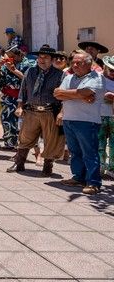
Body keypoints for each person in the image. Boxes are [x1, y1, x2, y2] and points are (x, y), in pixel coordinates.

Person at [7, 45, 65, 176]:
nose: (42, 60)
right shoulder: (30, 71)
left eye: (46, 57)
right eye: (40, 57)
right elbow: (23, 90)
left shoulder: (59, 75)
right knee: (25, 137)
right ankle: (19, 162)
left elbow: (63, 96)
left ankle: (47, 166)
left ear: (52, 59)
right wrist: (20, 106)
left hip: (50, 111)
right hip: (31, 110)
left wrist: (61, 112)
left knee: (51, 140)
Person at [56, 51, 105, 195]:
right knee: (75, 152)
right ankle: (78, 177)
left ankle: (93, 182)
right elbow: (57, 94)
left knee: (89, 153)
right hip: (69, 119)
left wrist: (71, 94)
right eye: (73, 62)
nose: (75, 65)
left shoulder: (96, 77)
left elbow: (85, 93)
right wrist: (79, 95)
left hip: (87, 121)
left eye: (79, 63)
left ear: (89, 64)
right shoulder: (69, 77)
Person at [0, 47, 30, 149]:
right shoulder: (6, 66)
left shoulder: (28, 64)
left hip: (22, 98)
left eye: (11, 57)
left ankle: (22, 145)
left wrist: (14, 70)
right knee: (7, 119)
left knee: (21, 122)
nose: (10, 59)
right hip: (8, 98)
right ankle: (9, 143)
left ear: (18, 55)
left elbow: (28, 79)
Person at [100, 56, 114, 179]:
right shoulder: (98, 78)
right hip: (100, 115)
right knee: (100, 143)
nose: (113, 72)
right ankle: (100, 167)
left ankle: (112, 169)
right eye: (111, 69)